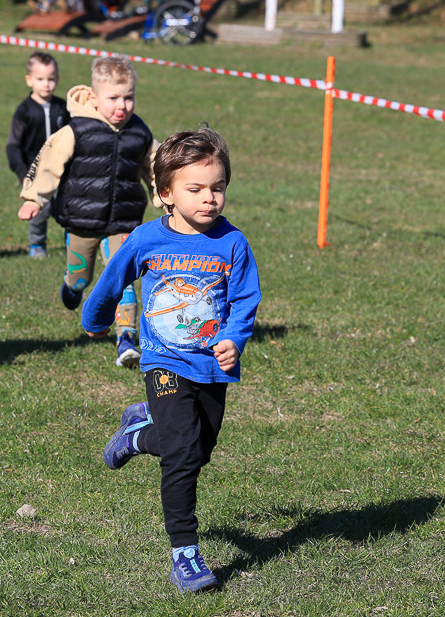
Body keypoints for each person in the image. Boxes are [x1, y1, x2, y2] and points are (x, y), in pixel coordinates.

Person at [80, 126, 261, 593]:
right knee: (181, 453)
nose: (209, 199)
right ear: (166, 193)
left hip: (212, 365)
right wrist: (95, 316)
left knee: (199, 448)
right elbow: (113, 278)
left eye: (217, 188)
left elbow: (244, 300)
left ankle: (139, 436)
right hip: (162, 361)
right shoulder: (144, 239)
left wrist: (235, 339)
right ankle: (186, 554)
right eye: (195, 189)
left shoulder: (233, 243)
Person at [18, 55, 157, 368]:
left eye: (129, 98)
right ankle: (72, 286)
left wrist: (167, 198)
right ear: (94, 98)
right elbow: (48, 161)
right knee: (81, 278)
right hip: (82, 222)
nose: (122, 106)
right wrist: (34, 198)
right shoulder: (76, 130)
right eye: (114, 99)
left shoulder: (139, 133)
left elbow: (157, 168)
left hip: (123, 222)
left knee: (122, 279)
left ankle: (126, 339)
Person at [6, 51, 70, 259]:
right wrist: (23, 173)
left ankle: (73, 242)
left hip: (63, 171)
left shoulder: (63, 108)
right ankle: (37, 243)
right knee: (39, 211)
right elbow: (13, 146)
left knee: (68, 207)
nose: (46, 84)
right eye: (40, 79)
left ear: (57, 80)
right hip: (36, 172)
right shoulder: (24, 111)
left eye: (51, 79)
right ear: (29, 80)